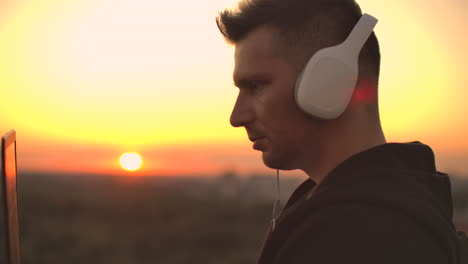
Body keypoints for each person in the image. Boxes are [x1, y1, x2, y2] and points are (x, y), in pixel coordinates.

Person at [215, 0, 466, 263]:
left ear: (329, 81)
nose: (237, 117)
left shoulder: (364, 237)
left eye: (256, 86)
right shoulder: (391, 206)